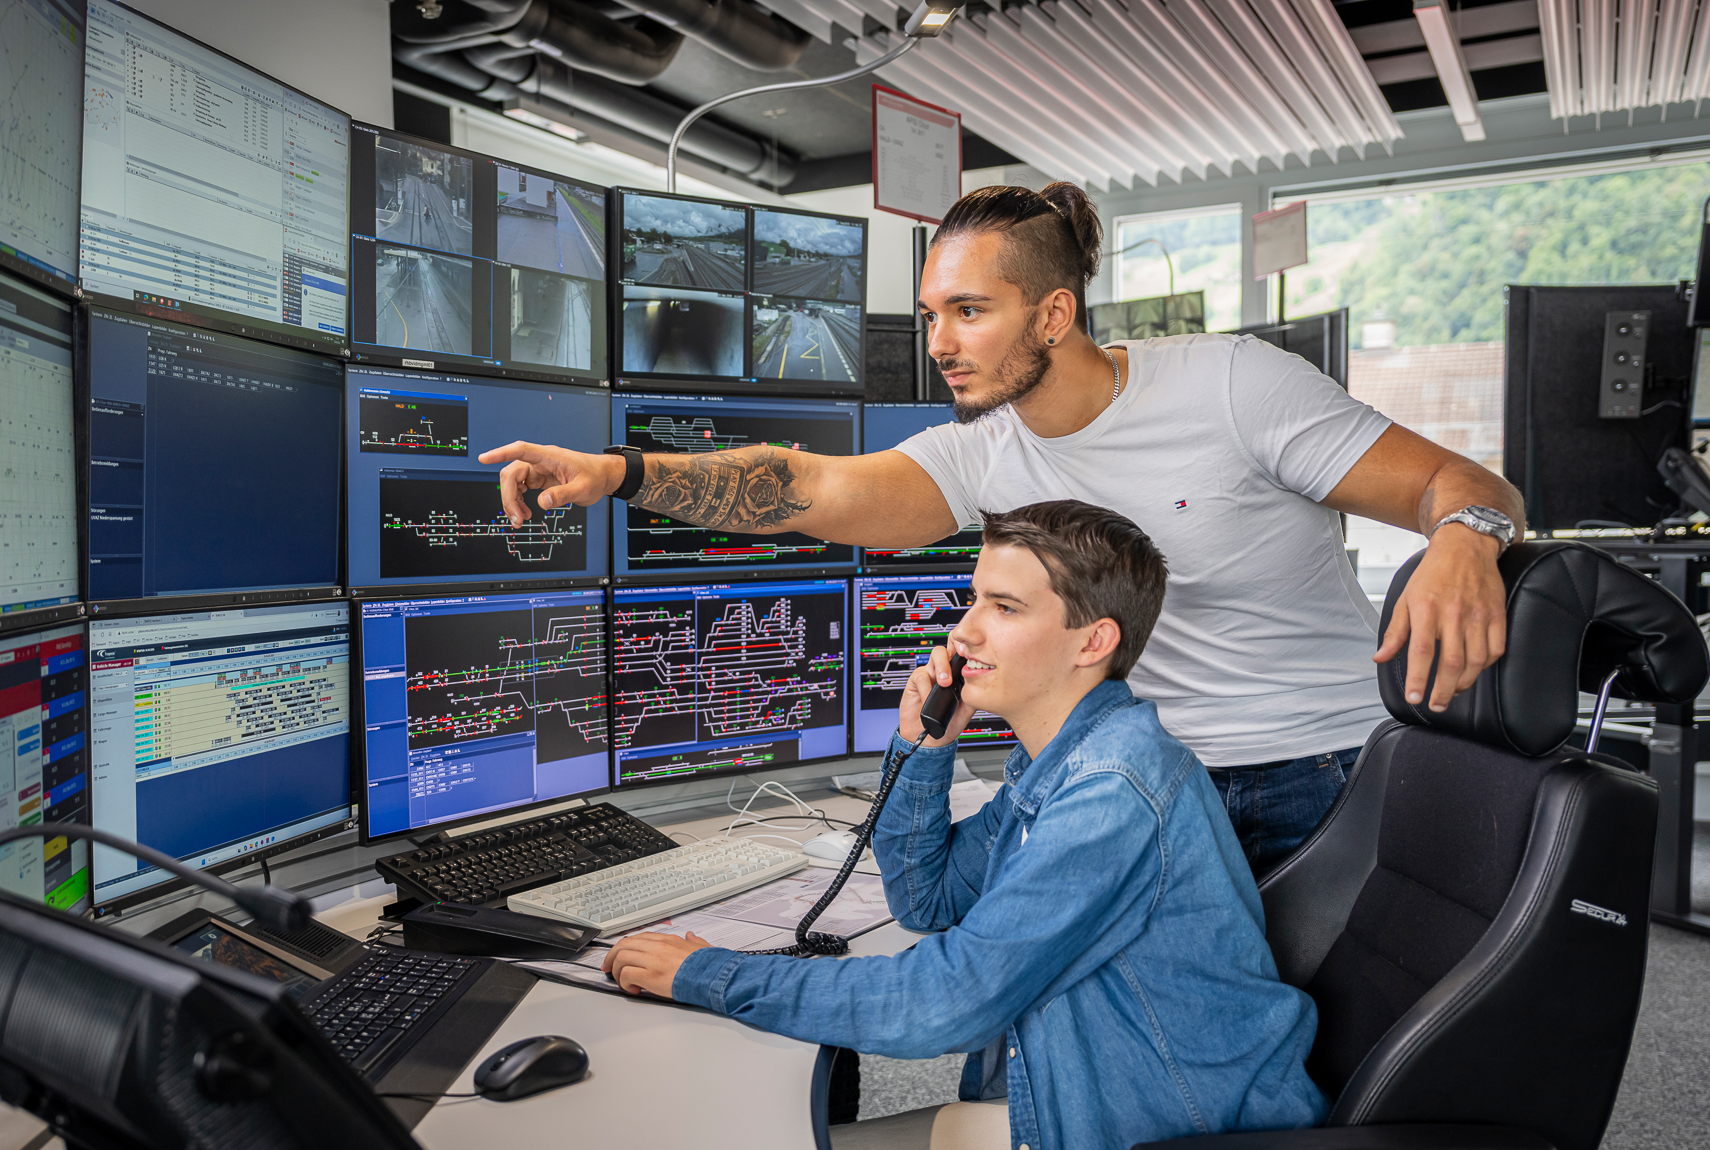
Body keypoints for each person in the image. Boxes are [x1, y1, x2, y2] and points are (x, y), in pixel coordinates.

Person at [482, 182, 1524, 877]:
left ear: (1054, 315)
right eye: (932, 314)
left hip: (1317, 769)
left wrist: (1462, 539)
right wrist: (619, 473)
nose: (940, 342)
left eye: (969, 311)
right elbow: (805, 488)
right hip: (1137, 774)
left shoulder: (1234, 384)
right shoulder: (986, 448)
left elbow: (1465, 484)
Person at [603, 501, 1331, 1150]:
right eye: (975, 597)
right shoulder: (1058, 762)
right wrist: (928, 746)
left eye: (1005, 607)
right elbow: (931, 899)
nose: (964, 631)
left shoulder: (1111, 793)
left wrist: (709, 974)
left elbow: (943, 1003)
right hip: (1069, 1120)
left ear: (1092, 641)